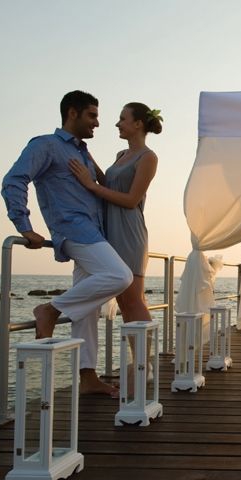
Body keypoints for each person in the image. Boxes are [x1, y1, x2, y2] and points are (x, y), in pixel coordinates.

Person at [2, 90, 133, 397]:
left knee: (88, 310)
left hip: (95, 231)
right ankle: (50, 309)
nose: (97, 123)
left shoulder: (83, 152)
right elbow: (14, 180)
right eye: (92, 115)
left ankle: (87, 378)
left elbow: (103, 187)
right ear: (72, 113)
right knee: (120, 276)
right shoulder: (45, 145)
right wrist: (24, 226)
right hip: (74, 231)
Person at [68, 102, 161, 325]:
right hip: (111, 230)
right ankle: (139, 358)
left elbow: (131, 200)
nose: (117, 124)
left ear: (138, 124)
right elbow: (109, 183)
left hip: (129, 232)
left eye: (122, 119)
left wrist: (91, 185)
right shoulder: (122, 154)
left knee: (132, 300)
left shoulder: (148, 157)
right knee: (123, 300)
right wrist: (87, 157)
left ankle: (144, 360)